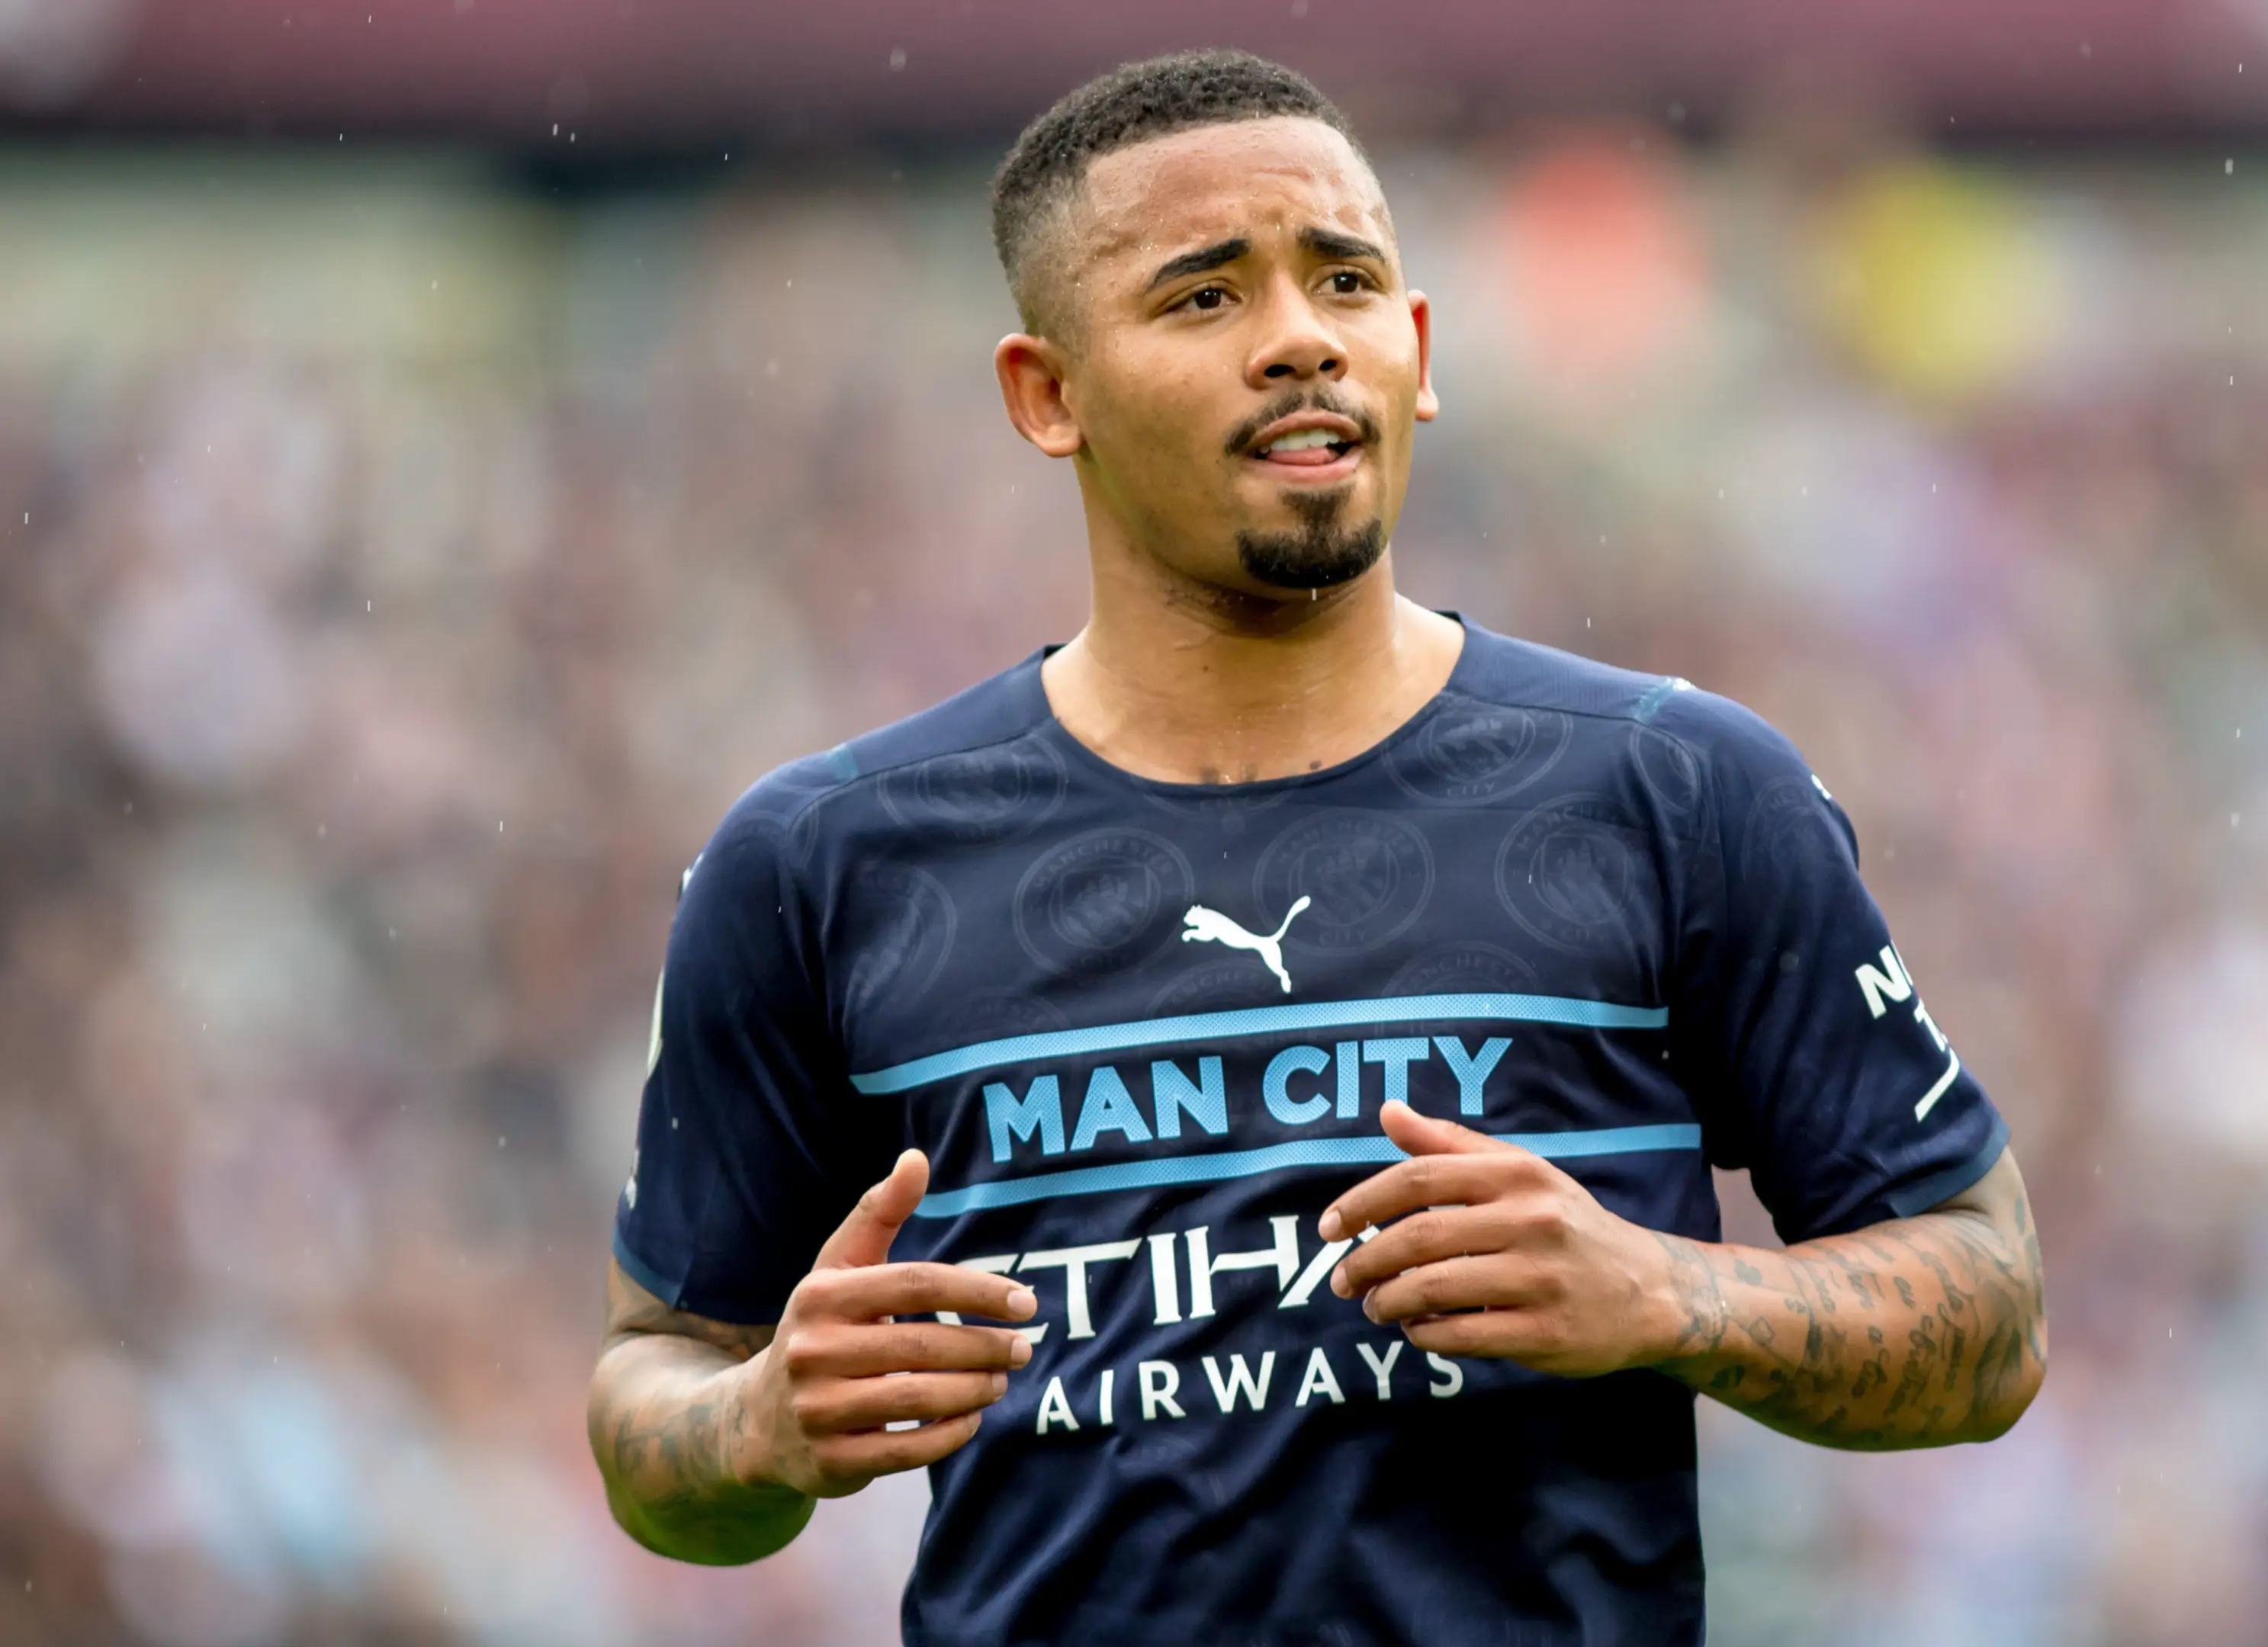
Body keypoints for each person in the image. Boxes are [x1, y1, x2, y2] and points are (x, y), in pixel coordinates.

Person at [586, 48, 2045, 1645]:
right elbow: (655, 1393)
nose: (1300, 338)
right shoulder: (822, 862)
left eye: (1344, 281)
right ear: (1048, 395)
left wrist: (1668, 1296)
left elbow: (1990, 1321)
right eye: (1205, 296)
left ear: (1415, 351)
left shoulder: (1678, 792)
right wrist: (755, 1425)